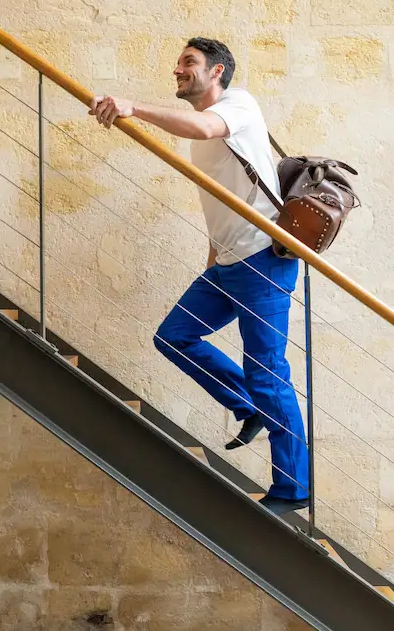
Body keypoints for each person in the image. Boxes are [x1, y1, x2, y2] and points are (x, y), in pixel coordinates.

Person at [88, 37, 308, 515]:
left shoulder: (238, 106)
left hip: (263, 261)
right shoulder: (199, 137)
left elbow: (208, 126)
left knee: (268, 373)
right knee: (174, 336)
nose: (178, 69)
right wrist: (211, 262)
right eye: (178, 62)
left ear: (217, 71)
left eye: (189, 62)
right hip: (227, 264)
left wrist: (132, 107)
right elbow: (219, 204)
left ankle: (293, 490)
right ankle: (247, 406)